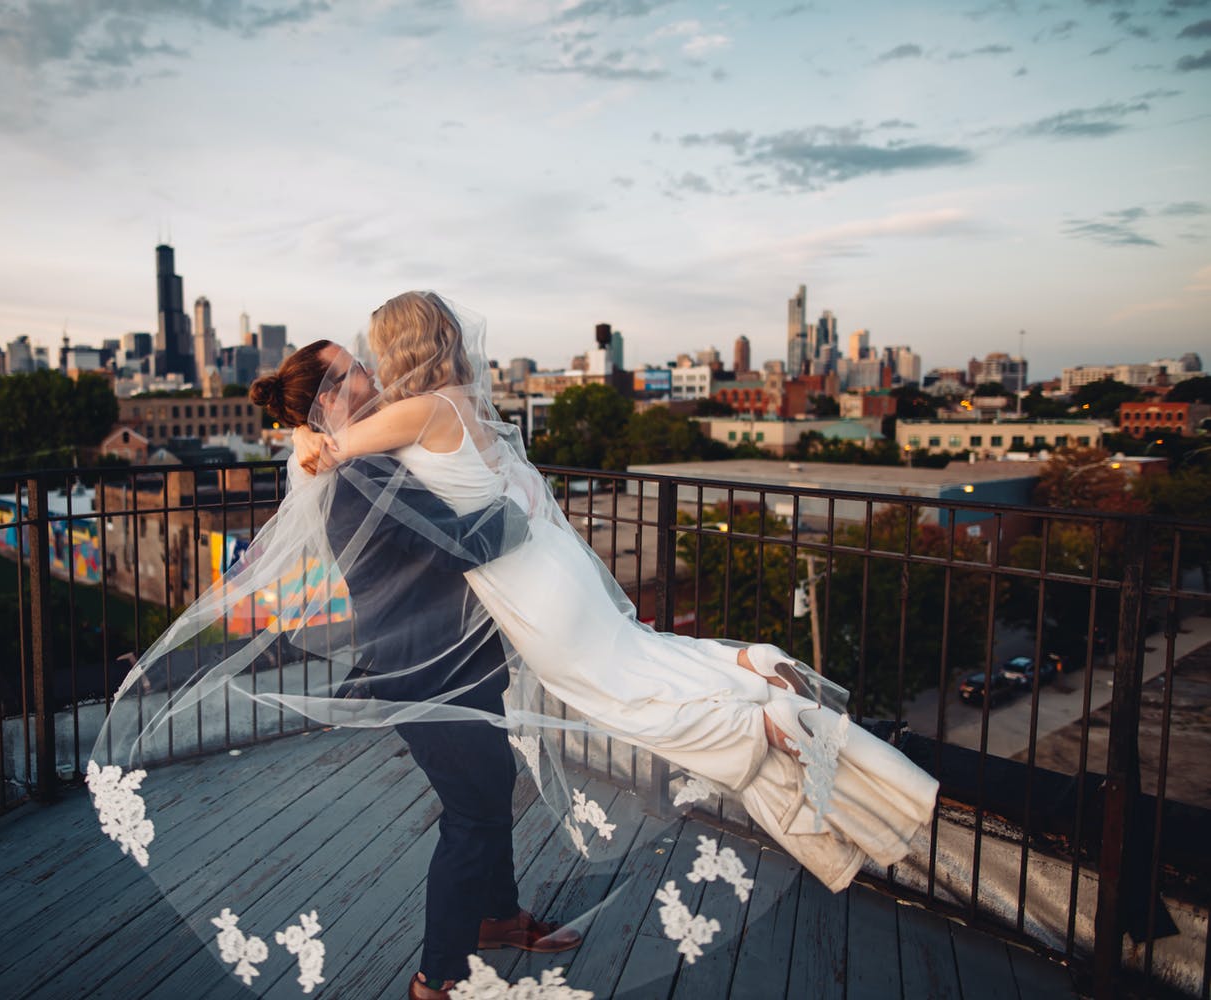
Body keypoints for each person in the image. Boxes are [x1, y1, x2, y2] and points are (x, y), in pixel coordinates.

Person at [292, 291, 940, 894]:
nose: (372, 365)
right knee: (637, 657)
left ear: (401, 347)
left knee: (615, 697)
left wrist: (302, 434)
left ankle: (758, 723)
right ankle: (748, 664)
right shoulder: (460, 402)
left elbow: (327, 452)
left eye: (375, 351)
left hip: (526, 583)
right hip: (550, 563)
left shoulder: (418, 411)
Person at [252, 342, 581, 999]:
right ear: (331, 397)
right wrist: (523, 508)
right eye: (356, 368)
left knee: (492, 786)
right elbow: (458, 544)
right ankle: (437, 977)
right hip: (425, 665)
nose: (372, 372)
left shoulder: (354, 452)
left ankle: (497, 917)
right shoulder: (359, 474)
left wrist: (306, 436)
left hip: (456, 655)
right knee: (472, 813)